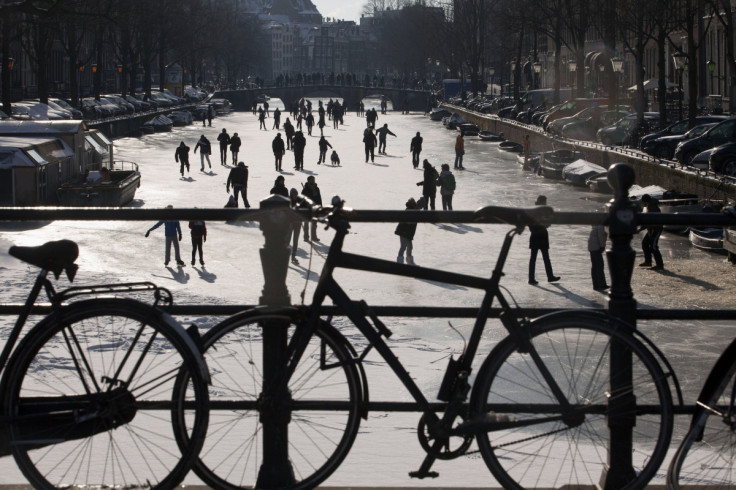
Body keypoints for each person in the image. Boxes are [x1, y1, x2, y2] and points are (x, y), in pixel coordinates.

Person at [528, 195, 560, 285]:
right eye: (545, 202)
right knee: (540, 258)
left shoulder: (536, 210)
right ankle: (536, 278)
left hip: (538, 236)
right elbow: (534, 224)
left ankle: (547, 277)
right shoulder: (536, 211)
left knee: (539, 258)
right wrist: (545, 225)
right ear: (542, 202)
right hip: (539, 235)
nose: (546, 204)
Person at [639, 194, 664, 270]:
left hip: (655, 230)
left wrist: (640, 229)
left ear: (645, 201)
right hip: (651, 229)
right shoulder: (650, 206)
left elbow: (649, 221)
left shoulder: (653, 208)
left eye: (642, 201)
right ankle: (648, 261)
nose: (642, 203)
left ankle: (660, 265)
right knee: (645, 243)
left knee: (653, 247)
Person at [395, 197, 418, 265]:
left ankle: (409, 261)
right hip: (403, 232)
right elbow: (408, 221)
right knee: (403, 246)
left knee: (410, 246)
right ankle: (400, 262)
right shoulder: (409, 210)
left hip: (408, 232)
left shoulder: (413, 210)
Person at [301, 176, 322, 241]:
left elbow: (319, 198)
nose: (313, 180)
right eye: (312, 179)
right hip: (307, 209)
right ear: (309, 180)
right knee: (306, 224)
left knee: (314, 224)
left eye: (314, 179)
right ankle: (306, 237)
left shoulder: (316, 188)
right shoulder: (305, 189)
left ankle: (314, 237)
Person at [588, 223, 609, 291]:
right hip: (596, 246)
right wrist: (602, 246)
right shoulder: (600, 225)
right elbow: (601, 236)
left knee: (594, 266)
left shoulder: (595, 225)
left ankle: (596, 284)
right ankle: (601, 284)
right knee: (600, 265)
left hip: (592, 246)